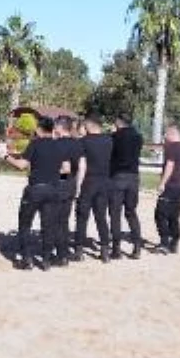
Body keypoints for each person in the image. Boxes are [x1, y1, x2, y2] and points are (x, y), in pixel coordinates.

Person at [6, 117, 69, 270]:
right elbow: (66, 169)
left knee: (25, 224)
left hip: (35, 189)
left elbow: (22, 165)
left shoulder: (35, 144)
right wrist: (52, 173)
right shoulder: (60, 146)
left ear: (39, 129)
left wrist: (6, 156)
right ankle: (46, 260)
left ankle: (27, 259)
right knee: (48, 226)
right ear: (52, 129)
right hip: (53, 189)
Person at [74, 112, 113, 262]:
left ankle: (79, 250)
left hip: (88, 182)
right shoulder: (109, 140)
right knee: (101, 217)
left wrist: (77, 186)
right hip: (104, 182)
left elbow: (82, 166)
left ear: (88, 125)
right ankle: (104, 250)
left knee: (82, 216)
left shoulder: (83, 142)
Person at [108, 113, 144, 260]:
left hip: (118, 176)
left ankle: (116, 249)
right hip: (134, 177)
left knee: (115, 213)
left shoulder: (115, 137)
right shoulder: (138, 137)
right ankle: (137, 246)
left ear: (118, 121)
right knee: (131, 212)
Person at [153, 124, 180, 254]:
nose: (165, 136)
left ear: (172, 134)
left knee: (160, 214)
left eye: (166, 134)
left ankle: (164, 242)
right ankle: (174, 241)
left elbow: (170, 165)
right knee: (174, 216)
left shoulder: (172, 147)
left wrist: (162, 183)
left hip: (171, 186)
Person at [54, 116, 83, 263]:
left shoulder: (55, 144)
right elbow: (82, 166)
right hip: (71, 184)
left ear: (60, 127)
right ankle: (63, 252)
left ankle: (61, 253)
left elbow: (65, 169)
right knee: (64, 220)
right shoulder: (78, 144)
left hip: (59, 184)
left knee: (56, 220)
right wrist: (77, 185)